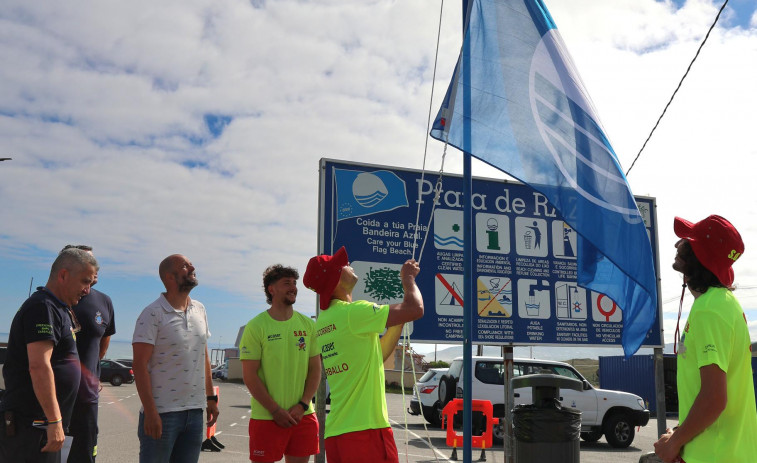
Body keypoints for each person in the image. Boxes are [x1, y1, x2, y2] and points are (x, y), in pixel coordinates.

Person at [303, 246, 423, 463]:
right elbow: (416, 308)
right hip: (366, 432)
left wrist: (397, 320)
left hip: (337, 434)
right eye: (342, 266)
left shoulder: (324, 320)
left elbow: (378, 355)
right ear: (336, 278)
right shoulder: (354, 313)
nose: (349, 265)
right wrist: (408, 280)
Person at [654, 215, 757, 463]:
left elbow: (714, 398)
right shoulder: (725, 304)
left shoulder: (709, 310)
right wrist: (681, 432)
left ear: (699, 256)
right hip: (729, 453)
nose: (678, 245)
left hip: (713, 455)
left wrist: (674, 443)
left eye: (687, 242)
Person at [0, 248, 98, 463]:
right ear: (63, 275)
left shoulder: (58, 308)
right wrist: (54, 421)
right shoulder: (43, 307)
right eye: (85, 281)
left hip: (44, 425)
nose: (87, 290)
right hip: (33, 426)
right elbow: (39, 366)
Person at [132, 254, 219, 463]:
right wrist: (151, 412)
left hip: (195, 413)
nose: (192, 267)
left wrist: (210, 398)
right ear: (170, 277)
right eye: (185, 266)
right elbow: (139, 365)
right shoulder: (152, 314)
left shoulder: (200, 309)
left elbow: (203, 355)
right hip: (163, 414)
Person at [239, 265, 321, 462]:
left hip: (303, 415)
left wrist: (302, 405)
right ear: (272, 289)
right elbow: (249, 376)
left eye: (294, 283)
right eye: (287, 283)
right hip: (267, 417)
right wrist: (275, 410)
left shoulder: (308, 325)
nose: (293, 287)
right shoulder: (256, 326)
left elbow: (315, 369)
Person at [61, 245, 116, 463]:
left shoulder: (104, 301)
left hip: (87, 398)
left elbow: (104, 339)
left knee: (84, 454)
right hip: (57, 396)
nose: (94, 269)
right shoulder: (54, 302)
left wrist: (92, 370)